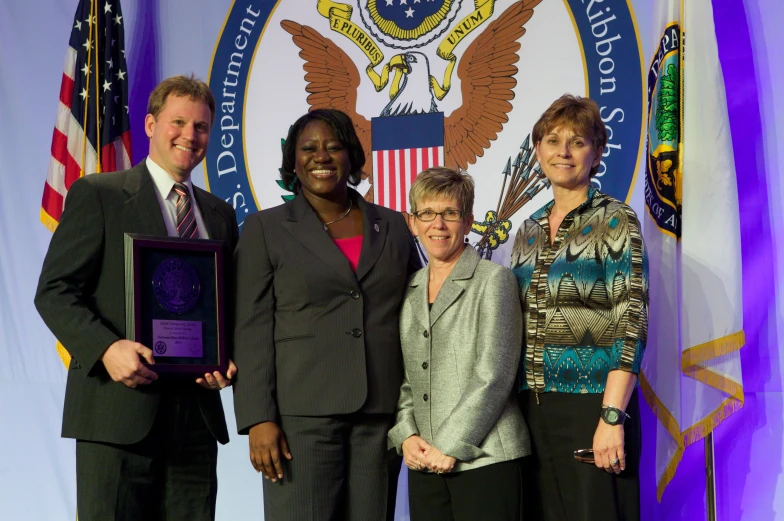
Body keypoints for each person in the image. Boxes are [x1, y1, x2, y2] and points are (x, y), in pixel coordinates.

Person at [34, 75, 239, 521]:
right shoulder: (100, 195)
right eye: (178, 122)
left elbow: (226, 306)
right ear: (149, 125)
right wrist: (107, 348)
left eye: (201, 127)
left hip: (195, 423)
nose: (190, 135)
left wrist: (227, 358)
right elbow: (54, 291)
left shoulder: (220, 215)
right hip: (116, 414)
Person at [232, 108, 421, 520]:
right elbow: (251, 327)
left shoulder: (391, 226)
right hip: (300, 419)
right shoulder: (265, 229)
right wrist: (258, 418)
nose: (322, 156)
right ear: (293, 160)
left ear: (351, 156)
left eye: (334, 147)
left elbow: (418, 311)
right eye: (309, 148)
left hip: (379, 416)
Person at [510, 94, 649, 521]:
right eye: (552, 141)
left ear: (597, 152)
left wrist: (611, 417)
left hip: (593, 405)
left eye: (577, 142)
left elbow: (632, 322)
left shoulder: (615, 219)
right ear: (538, 150)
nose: (563, 152)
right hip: (531, 410)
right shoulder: (527, 231)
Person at [388, 167, 530, 521]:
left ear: (467, 222)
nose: (438, 224)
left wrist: (449, 445)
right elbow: (407, 377)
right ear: (412, 222)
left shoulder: (494, 281)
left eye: (450, 214)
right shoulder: (409, 289)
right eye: (427, 214)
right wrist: (406, 435)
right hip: (425, 462)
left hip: (486, 458)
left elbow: (494, 376)